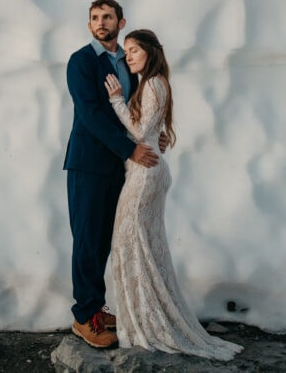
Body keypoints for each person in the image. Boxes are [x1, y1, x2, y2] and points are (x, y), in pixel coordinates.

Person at [104, 29, 243, 361]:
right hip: (148, 170)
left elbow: (138, 132)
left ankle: (148, 323)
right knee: (144, 244)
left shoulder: (152, 84)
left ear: (151, 52)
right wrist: (154, 134)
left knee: (128, 242)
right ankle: (151, 318)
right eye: (126, 51)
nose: (129, 56)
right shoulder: (153, 85)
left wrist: (116, 100)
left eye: (135, 50)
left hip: (145, 174)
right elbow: (152, 131)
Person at [64, 0, 162, 348]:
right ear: (89, 24)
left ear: (121, 23)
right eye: (94, 18)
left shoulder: (129, 60)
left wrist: (150, 134)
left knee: (106, 239)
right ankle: (83, 317)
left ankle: (96, 306)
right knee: (88, 239)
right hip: (89, 164)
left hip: (120, 167)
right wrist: (131, 149)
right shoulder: (81, 61)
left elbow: (132, 110)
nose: (100, 22)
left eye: (107, 17)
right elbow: (91, 115)